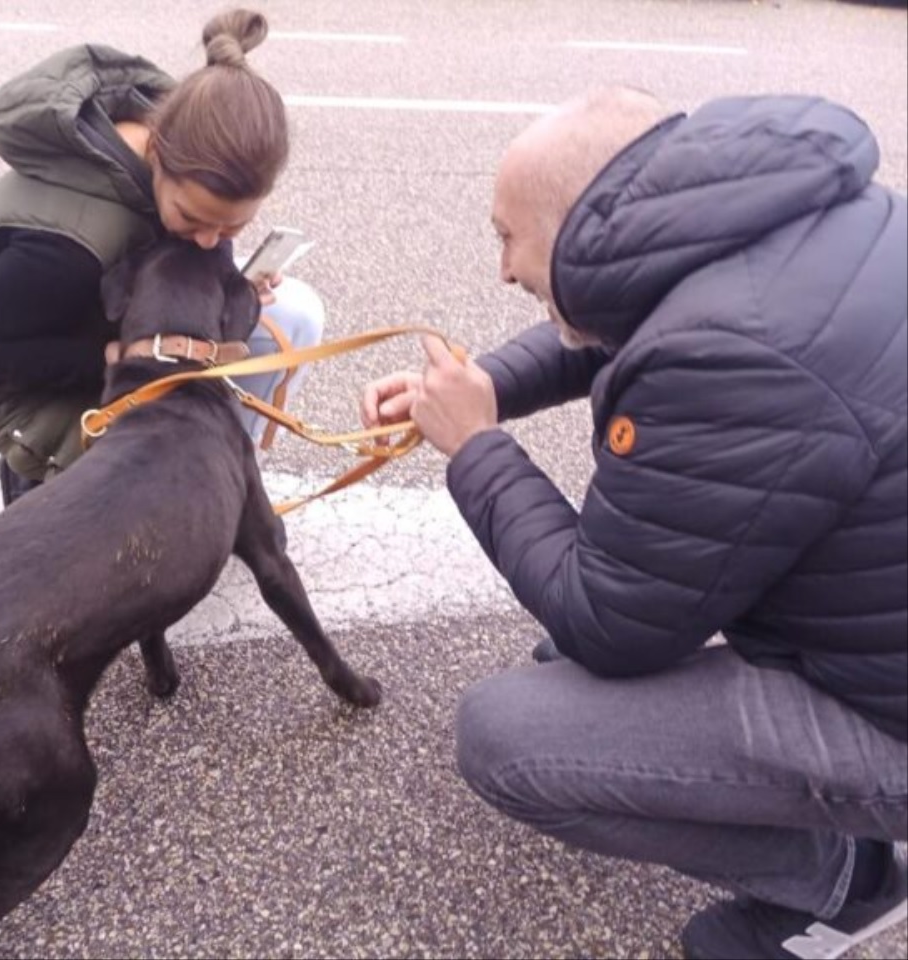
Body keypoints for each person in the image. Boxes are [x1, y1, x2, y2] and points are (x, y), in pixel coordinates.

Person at [362, 88, 907, 959]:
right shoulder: (780, 207)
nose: (502, 268)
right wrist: (490, 384)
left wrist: (474, 446)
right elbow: (629, 315)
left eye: (508, 235)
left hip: (891, 710)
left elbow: (609, 621)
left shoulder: (730, 356)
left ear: (584, 223)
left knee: (510, 737)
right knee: (574, 666)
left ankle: (849, 881)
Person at [0, 9, 324, 506]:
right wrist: (117, 360)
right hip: (31, 392)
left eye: (232, 226)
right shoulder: (67, 248)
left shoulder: (192, 147)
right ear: (157, 158)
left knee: (292, 313)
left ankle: (223, 489)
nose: (210, 241)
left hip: (119, 324)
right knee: (150, 491)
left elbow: (198, 251)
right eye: (192, 220)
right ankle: (40, 483)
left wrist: (235, 288)